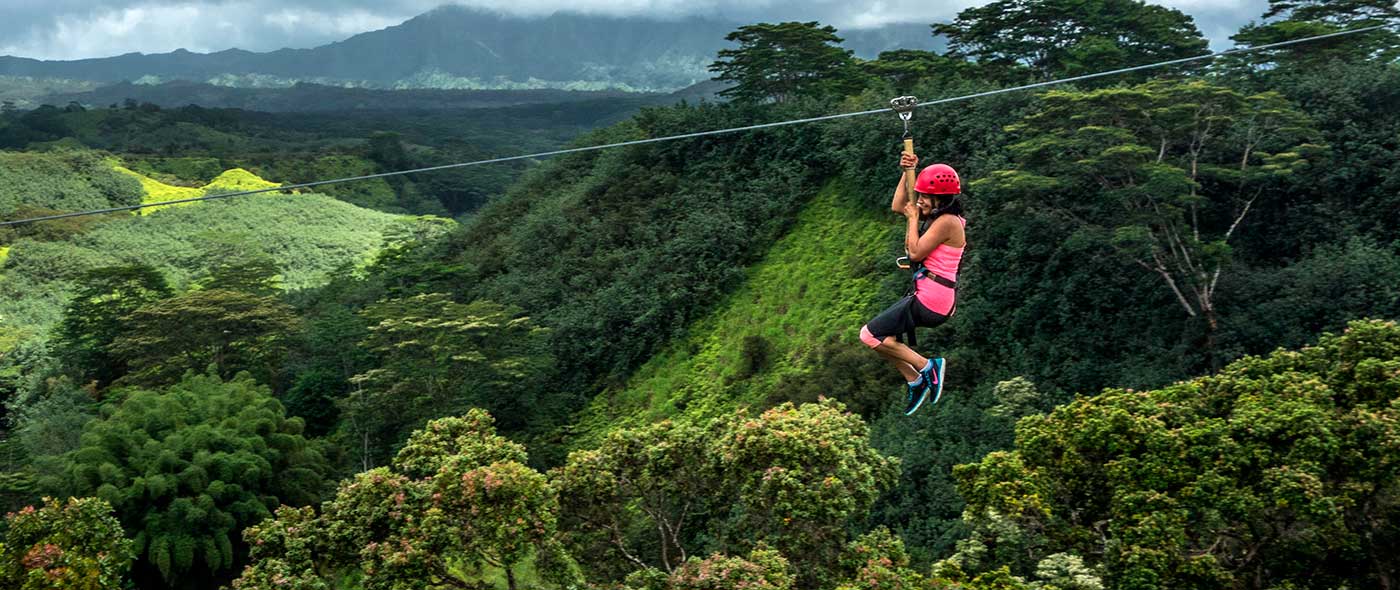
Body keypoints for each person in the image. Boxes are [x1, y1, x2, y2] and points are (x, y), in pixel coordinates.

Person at [858, 152, 966, 415]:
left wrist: (913, 219)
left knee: (869, 335)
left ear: (939, 198)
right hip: (931, 297)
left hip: (931, 300)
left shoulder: (948, 223)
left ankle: (928, 367)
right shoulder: (939, 215)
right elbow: (898, 206)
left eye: (924, 197)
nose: (919, 202)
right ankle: (914, 380)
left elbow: (915, 253)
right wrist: (907, 171)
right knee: (882, 340)